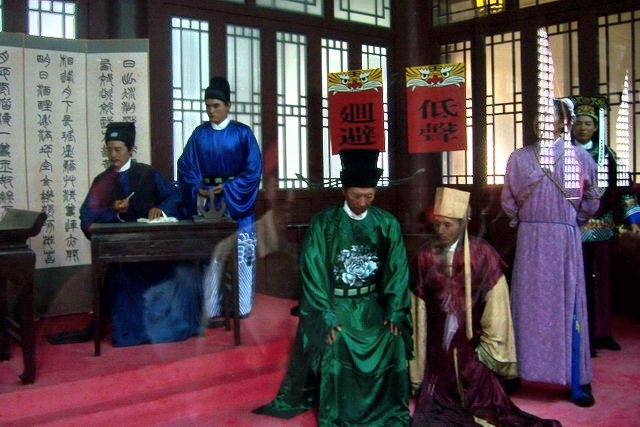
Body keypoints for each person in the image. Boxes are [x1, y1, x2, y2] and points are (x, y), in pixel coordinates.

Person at [253, 149, 413, 426]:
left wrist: (395, 309)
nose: (363, 202)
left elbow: (397, 269)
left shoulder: (386, 223)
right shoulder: (324, 223)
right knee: (337, 339)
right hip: (335, 303)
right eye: (356, 195)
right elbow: (312, 270)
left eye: (369, 196)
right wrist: (324, 315)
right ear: (344, 191)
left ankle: (385, 410)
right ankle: (341, 414)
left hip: (371, 303)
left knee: (392, 338)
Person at [411, 187, 559, 426]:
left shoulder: (482, 253)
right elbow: (418, 305)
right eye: (437, 224)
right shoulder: (426, 255)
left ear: (463, 223)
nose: (441, 230)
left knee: (483, 397)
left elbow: (497, 304)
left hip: (472, 340)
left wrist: (491, 345)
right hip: (438, 340)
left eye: (448, 224)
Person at [501, 99, 600, 406]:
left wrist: (569, 222)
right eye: (537, 117)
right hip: (530, 237)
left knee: (568, 305)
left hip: (563, 238)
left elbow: (592, 197)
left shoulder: (580, 157)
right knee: (525, 304)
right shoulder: (518, 158)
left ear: (562, 123)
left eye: (547, 117)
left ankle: (578, 381)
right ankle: (517, 372)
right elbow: (508, 198)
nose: (539, 122)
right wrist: (526, 220)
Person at [79, 122, 202, 346]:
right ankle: (131, 335)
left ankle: (175, 328)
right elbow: (87, 217)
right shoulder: (102, 181)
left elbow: (175, 196)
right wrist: (113, 211)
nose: (113, 155)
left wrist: (161, 209)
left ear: (130, 150)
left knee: (183, 269)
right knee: (124, 277)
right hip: (123, 253)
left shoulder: (148, 173)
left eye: (118, 149)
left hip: (156, 249)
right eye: (109, 150)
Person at [177, 77, 262, 324]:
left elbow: (253, 169)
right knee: (211, 257)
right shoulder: (199, 134)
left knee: (242, 256)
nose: (211, 111)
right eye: (208, 106)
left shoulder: (242, 133)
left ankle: (241, 306)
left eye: (216, 105)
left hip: (236, 200)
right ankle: (212, 307)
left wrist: (229, 187)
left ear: (227, 106)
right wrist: (198, 187)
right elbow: (185, 166)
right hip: (207, 202)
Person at [569, 95, 640, 355]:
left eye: (588, 123)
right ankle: (579, 335)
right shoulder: (563, 153)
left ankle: (602, 332)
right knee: (577, 281)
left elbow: (625, 189)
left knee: (601, 281)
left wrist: (634, 219)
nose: (583, 128)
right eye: (578, 123)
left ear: (595, 127)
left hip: (602, 226)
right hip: (572, 227)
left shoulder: (608, 154)